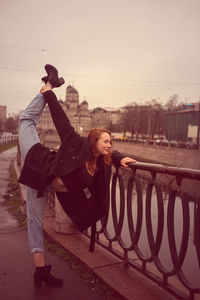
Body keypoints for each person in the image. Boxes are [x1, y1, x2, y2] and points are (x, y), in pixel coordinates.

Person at [18, 64, 136, 287]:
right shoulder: (76, 143)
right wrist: (50, 92)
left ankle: (40, 270)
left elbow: (108, 152)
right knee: (26, 120)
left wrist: (120, 157)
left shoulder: (100, 161)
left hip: (42, 184)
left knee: (34, 221)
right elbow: (61, 118)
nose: (110, 145)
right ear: (94, 143)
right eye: (106, 141)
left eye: (111, 142)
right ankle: (48, 84)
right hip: (38, 162)